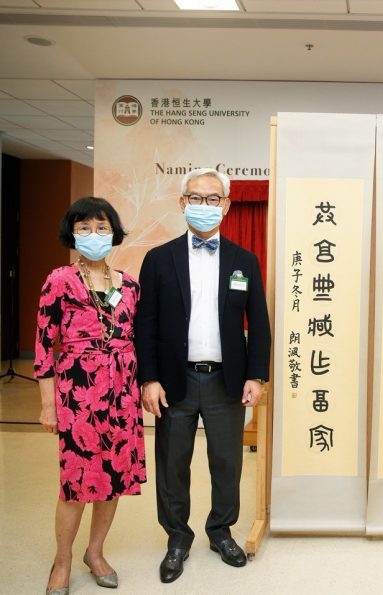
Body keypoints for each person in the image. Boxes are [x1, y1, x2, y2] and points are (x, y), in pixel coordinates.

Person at [135, 168, 271, 583]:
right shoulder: (159, 259)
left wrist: (257, 375)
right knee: (173, 464)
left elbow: (259, 323)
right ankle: (177, 538)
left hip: (225, 381)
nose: (204, 206)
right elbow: (145, 324)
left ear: (226, 206)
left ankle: (220, 531)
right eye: (196, 198)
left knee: (226, 462)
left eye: (213, 199)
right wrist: (149, 378)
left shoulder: (243, 260)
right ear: (182, 204)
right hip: (174, 381)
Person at [35, 197, 146, 595]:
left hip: (123, 396)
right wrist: (49, 404)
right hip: (79, 396)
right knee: (76, 483)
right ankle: (62, 561)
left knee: (113, 480)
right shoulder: (59, 281)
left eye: (101, 227)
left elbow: (140, 339)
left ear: (114, 232)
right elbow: (44, 347)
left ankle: (95, 552)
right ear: (72, 233)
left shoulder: (130, 284)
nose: (93, 235)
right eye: (84, 228)